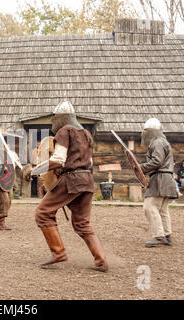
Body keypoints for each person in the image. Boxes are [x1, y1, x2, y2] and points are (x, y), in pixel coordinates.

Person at [27, 101, 108, 272]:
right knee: (82, 223)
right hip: (87, 181)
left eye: (54, 118)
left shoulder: (65, 132)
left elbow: (58, 160)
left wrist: (34, 171)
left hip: (72, 180)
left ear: (60, 118)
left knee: (43, 213)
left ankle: (58, 253)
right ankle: (101, 260)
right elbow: (89, 162)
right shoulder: (85, 134)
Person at [140, 118, 178, 248]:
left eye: (146, 131)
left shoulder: (157, 142)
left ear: (150, 131)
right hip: (167, 178)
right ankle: (167, 236)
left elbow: (157, 161)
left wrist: (141, 168)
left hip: (161, 178)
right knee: (162, 209)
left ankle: (159, 236)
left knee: (149, 206)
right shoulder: (163, 141)